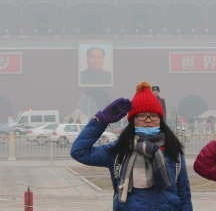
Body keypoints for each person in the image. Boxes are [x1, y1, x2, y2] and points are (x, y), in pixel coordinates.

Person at [70, 82, 192, 211]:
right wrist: (101, 120)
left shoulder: (173, 150)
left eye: (154, 115)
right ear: (132, 119)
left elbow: (183, 192)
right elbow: (80, 152)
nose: (148, 119)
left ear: (160, 119)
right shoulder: (118, 150)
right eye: (142, 115)